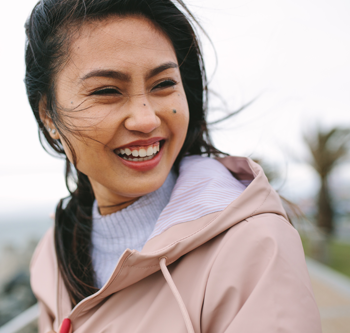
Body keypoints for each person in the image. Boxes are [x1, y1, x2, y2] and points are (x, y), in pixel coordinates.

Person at [25, 0, 322, 332]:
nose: (146, 118)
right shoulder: (51, 257)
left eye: (163, 84)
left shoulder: (253, 246)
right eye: (107, 91)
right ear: (49, 115)